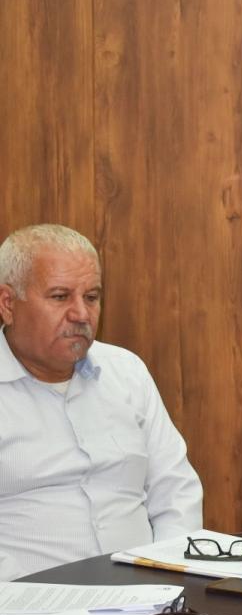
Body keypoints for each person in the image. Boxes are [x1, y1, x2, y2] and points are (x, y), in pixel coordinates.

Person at [0, 224, 203, 580]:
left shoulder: (126, 371)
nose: (81, 314)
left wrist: (169, 577)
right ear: (7, 303)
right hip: (25, 602)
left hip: (148, 597)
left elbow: (176, 491)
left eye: (91, 297)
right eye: (60, 297)